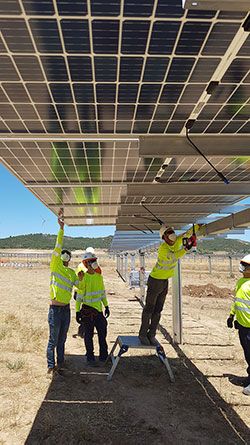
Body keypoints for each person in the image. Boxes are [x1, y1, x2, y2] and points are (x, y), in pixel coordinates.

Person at [139, 223, 201, 346]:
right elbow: (174, 257)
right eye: (168, 232)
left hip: (164, 281)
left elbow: (186, 234)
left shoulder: (176, 241)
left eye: (172, 231)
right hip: (155, 280)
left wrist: (197, 227)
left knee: (158, 310)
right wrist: (187, 248)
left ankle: (151, 335)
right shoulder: (163, 248)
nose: (172, 234)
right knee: (149, 309)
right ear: (164, 237)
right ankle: (142, 335)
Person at [47, 209, 81, 375]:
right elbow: (58, 245)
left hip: (66, 309)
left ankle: (60, 363)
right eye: (64, 254)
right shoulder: (56, 265)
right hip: (55, 309)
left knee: (62, 339)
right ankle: (50, 365)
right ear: (60, 257)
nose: (66, 256)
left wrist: (85, 275)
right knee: (53, 340)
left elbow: (79, 286)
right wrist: (61, 228)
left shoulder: (72, 273)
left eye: (68, 255)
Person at [75, 251, 110, 366]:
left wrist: (106, 306)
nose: (95, 263)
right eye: (92, 261)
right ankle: (90, 356)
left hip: (98, 311)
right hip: (87, 311)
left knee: (102, 333)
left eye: (95, 261)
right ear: (87, 264)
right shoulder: (83, 277)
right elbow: (79, 296)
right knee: (88, 335)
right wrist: (77, 311)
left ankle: (103, 355)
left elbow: (102, 293)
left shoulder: (99, 277)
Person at [227, 254, 250, 395]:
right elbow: (237, 301)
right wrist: (231, 316)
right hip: (243, 325)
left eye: (246, 265)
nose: (243, 268)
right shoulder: (241, 282)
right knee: (248, 353)